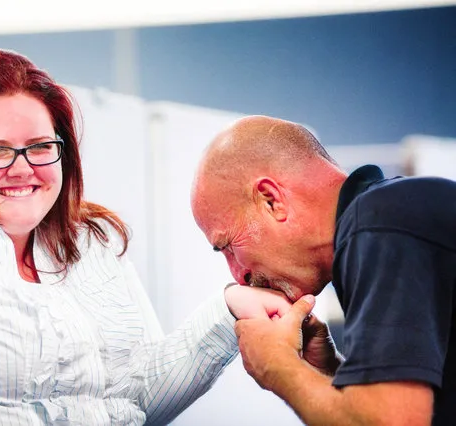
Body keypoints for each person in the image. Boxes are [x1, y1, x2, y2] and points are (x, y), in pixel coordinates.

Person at [0, 49, 294, 425]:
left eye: (41, 147)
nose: (22, 168)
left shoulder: (88, 246)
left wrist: (229, 309)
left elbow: (135, 399)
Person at [190, 114, 456, 425]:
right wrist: (328, 370)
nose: (238, 275)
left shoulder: (379, 225)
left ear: (271, 200)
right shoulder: (387, 217)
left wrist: (277, 367)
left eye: (229, 246)